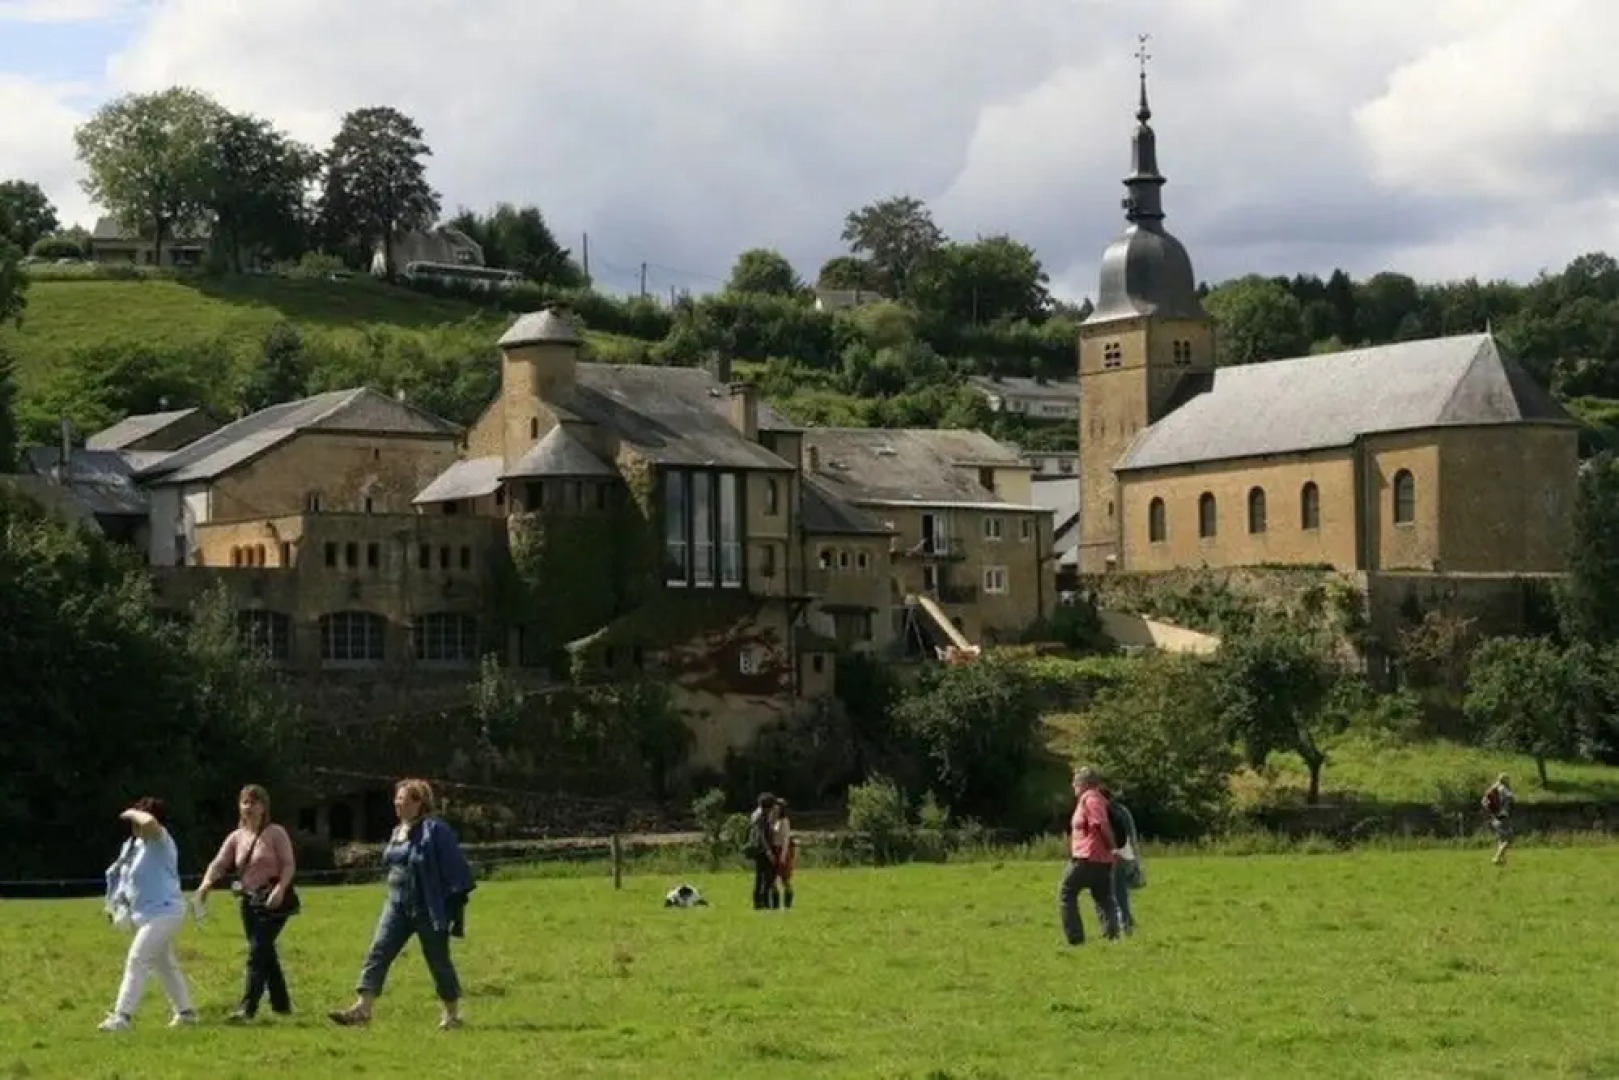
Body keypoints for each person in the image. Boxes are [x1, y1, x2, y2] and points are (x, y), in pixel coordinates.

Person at [328, 779, 475, 1030]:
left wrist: (451, 906)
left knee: (438, 959)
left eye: (404, 799)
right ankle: (363, 1008)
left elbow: (456, 869)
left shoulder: (436, 830)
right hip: (396, 904)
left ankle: (451, 1015)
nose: (397, 803)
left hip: (427, 906)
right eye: (397, 798)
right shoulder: (398, 831)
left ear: (420, 803)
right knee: (379, 950)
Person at [195, 784, 299, 1022]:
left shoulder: (276, 833)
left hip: (274, 901)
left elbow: (289, 864)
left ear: (264, 806)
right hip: (249, 903)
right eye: (245, 802)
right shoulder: (236, 837)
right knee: (265, 951)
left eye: (254, 802)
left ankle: (247, 1008)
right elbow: (219, 863)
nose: (249, 807)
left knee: (257, 951)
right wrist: (205, 885)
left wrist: (281, 889)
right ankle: (282, 1005)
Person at [100, 797, 198, 1032]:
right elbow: (124, 878)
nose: (135, 826)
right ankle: (186, 1013)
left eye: (138, 820)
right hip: (142, 915)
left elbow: (150, 822)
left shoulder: (160, 840)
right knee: (164, 965)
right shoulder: (134, 847)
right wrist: (115, 906)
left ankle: (122, 1016)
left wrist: (131, 812)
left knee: (137, 958)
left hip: (165, 912)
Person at [1057, 767, 1119, 946]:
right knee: (1103, 898)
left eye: (1076, 782)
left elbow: (1101, 824)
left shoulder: (1091, 799)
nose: (1073, 785)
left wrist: (1113, 848)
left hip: (1088, 857)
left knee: (1066, 893)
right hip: (1100, 858)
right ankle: (1111, 937)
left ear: (1085, 784)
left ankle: (1075, 939)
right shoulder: (1094, 799)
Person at [1100, 785, 1143, 935]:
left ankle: (1117, 926)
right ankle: (1125, 923)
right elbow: (1132, 836)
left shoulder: (1100, 812)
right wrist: (1136, 861)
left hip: (1107, 856)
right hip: (1124, 855)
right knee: (1120, 893)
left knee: (1106, 894)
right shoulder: (1123, 811)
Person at [744, 792, 778, 911]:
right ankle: (763, 902)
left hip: (759, 849)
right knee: (766, 877)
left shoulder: (756, 814)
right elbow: (761, 835)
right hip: (762, 850)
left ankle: (759, 903)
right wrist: (768, 851)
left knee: (761, 877)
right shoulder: (761, 816)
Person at [1482, 773, 1516, 866]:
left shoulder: (1493, 788)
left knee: (1501, 840)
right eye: (1508, 779)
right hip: (1503, 816)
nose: (1509, 781)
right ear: (1505, 780)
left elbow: (1484, 802)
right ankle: (1496, 858)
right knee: (1509, 839)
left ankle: (1502, 860)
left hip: (1494, 817)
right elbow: (1510, 798)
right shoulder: (1504, 789)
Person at [771, 798, 797, 910]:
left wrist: (783, 855)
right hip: (775, 848)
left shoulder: (784, 821)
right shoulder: (774, 820)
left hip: (782, 850)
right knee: (772, 879)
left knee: (785, 879)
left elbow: (786, 839)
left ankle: (787, 904)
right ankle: (775, 904)